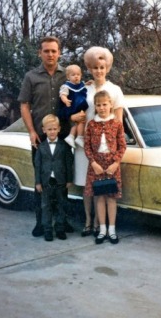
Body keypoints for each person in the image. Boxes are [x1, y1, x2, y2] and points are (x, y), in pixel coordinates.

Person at [18, 36, 73, 237]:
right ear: (39, 53)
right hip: (40, 137)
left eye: (54, 51)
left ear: (59, 53)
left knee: (62, 179)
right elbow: (24, 105)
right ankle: (41, 223)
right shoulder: (31, 77)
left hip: (64, 135)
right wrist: (32, 131)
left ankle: (62, 222)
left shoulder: (66, 76)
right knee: (41, 181)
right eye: (46, 51)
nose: (50, 54)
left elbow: (80, 93)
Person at [72, 46, 125, 238]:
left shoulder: (115, 90)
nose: (98, 71)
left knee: (103, 188)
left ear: (108, 68)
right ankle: (88, 221)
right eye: (94, 67)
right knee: (87, 185)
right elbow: (77, 113)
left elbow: (118, 122)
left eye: (102, 67)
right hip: (85, 143)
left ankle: (99, 223)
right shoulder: (83, 89)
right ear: (89, 68)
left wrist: (115, 154)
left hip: (107, 149)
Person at [83, 90, 126, 244]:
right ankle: (102, 230)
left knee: (111, 198)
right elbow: (86, 146)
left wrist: (116, 163)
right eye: (98, 105)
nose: (102, 108)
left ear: (111, 105)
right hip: (96, 165)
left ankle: (112, 230)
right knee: (99, 197)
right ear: (95, 107)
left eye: (104, 104)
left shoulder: (116, 124)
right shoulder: (91, 124)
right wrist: (93, 163)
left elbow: (122, 146)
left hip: (112, 165)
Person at [34, 114, 74, 241]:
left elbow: (69, 163)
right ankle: (47, 230)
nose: (52, 132)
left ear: (59, 129)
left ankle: (60, 228)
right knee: (46, 206)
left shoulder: (64, 146)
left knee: (61, 205)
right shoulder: (41, 147)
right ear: (44, 130)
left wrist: (69, 179)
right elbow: (38, 165)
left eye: (54, 129)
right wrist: (38, 182)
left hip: (60, 181)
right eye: (49, 129)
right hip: (46, 181)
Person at [59, 64, 88, 149]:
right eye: (73, 75)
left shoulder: (81, 85)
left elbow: (83, 88)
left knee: (81, 122)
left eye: (78, 75)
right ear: (68, 77)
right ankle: (73, 136)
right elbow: (63, 94)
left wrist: (87, 83)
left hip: (80, 107)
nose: (76, 77)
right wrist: (65, 100)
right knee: (76, 122)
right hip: (73, 107)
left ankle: (78, 137)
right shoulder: (66, 86)